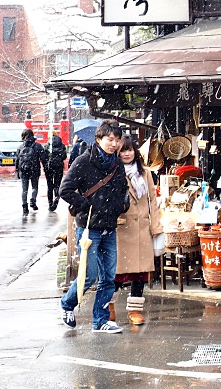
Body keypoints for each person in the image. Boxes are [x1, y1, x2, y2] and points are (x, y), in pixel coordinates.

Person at [58, 121, 129, 334]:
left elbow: (122, 189)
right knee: (88, 275)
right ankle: (67, 304)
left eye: (117, 140)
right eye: (110, 139)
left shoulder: (117, 164)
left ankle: (100, 320)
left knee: (109, 276)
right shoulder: (83, 162)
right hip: (89, 228)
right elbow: (65, 189)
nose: (113, 144)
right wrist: (85, 204)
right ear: (99, 139)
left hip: (110, 226)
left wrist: (122, 206)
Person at [113, 135, 163, 325]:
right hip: (121, 228)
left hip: (142, 228)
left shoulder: (146, 173)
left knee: (140, 273)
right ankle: (108, 306)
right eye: (123, 150)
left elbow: (152, 200)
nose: (127, 153)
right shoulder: (114, 172)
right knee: (118, 273)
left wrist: (155, 225)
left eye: (130, 149)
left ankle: (135, 310)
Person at [16, 128, 48, 215]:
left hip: (23, 170)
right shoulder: (37, 146)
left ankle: (24, 207)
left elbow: (17, 160)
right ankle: (33, 200)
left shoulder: (20, 147)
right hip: (34, 169)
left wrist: (17, 170)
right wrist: (45, 167)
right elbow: (43, 158)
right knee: (34, 187)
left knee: (24, 190)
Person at [44, 134, 68, 211]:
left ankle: (50, 203)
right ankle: (56, 199)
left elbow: (44, 157)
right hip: (59, 166)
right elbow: (64, 157)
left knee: (50, 185)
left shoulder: (47, 145)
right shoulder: (62, 146)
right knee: (57, 185)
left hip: (49, 167)